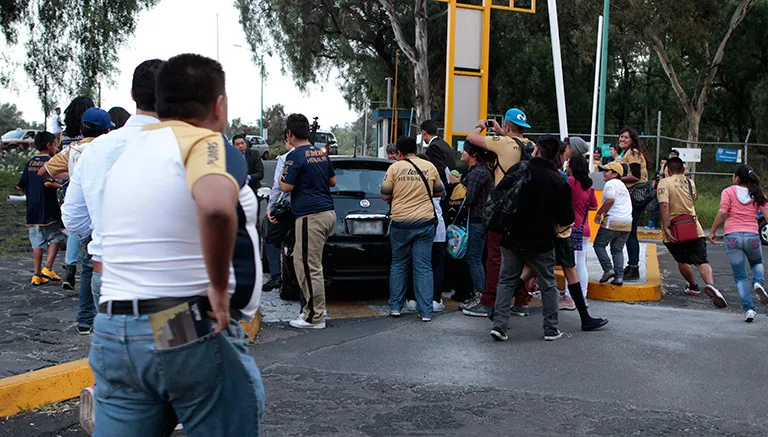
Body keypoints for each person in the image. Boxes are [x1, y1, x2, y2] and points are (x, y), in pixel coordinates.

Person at [94, 53, 265, 436]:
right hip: (177, 321)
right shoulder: (205, 142)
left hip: (113, 328)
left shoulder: (129, 151)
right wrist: (219, 289)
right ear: (219, 105)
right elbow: (219, 209)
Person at [59, 59, 164, 435]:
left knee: (121, 370)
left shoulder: (97, 152)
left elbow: (73, 222)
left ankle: (111, 400)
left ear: (133, 96)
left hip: (109, 281)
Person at [488, 135, 574, 342]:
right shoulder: (558, 180)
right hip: (541, 239)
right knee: (548, 283)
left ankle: (499, 325)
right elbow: (566, 217)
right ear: (557, 156)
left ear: (536, 150)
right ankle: (551, 329)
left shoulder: (519, 170)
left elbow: (498, 196)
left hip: (512, 235)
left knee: (506, 281)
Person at [41, 107, 113, 335]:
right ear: (108, 129)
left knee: (87, 268)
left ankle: (84, 320)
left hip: (81, 213)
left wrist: (69, 178)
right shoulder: (110, 149)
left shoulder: (72, 150)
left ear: (81, 129)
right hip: (105, 214)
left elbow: (44, 171)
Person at [463, 110, 535, 318]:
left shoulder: (501, 143)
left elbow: (472, 138)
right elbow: (515, 144)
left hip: (503, 209)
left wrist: (480, 125)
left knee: (494, 256)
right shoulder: (530, 145)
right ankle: (521, 302)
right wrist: (501, 132)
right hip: (524, 208)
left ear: (507, 126)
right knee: (519, 255)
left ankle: (489, 302)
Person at [280, 113, 337, 329]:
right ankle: (313, 311)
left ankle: (315, 316)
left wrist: (284, 171)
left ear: (290, 134)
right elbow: (332, 180)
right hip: (327, 213)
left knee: (307, 266)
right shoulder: (320, 153)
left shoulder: (294, 156)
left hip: (309, 216)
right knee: (308, 264)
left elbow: (285, 186)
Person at [381, 136, 443, 322]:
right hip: (424, 222)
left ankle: (395, 307)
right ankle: (425, 312)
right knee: (423, 267)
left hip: (400, 223)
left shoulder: (394, 168)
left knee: (399, 264)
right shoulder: (429, 167)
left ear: (399, 152)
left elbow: (384, 195)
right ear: (414, 150)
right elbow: (439, 192)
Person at [657, 157, 725, 308]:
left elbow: (664, 205)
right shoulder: (690, 182)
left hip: (675, 230)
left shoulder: (664, 182)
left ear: (668, 171)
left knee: (681, 260)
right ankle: (711, 285)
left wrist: (666, 227)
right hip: (694, 228)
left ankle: (693, 285)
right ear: (683, 169)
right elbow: (693, 199)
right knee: (702, 261)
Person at [709, 165, 768, 322]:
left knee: (740, 276)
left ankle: (749, 309)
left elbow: (722, 213)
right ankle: (758, 283)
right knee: (756, 263)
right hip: (752, 236)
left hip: (732, 237)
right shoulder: (758, 193)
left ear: (737, 178)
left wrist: (713, 231)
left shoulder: (728, 191)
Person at [57, 96, 95, 290]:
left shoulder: (64, 136)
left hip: (70, 186)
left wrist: (70, 175)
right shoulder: (91, 135)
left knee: (73, 228)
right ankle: (91, 265)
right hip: (90, 184)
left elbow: (58, 162)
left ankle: (70, 265)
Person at [17, 131, 65, 286]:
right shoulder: (52, 162)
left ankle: (37, 274)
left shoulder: (30, 162)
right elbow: (52, 182)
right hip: (49, 208)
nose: (57, 148)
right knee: (56, 238)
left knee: (36, 243)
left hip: (32, 210)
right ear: (49, 145)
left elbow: (21, 186)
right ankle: (48, 267)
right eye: (56, 144)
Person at [404, 152, 448, 313]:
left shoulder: (410, 182)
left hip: (415, 225)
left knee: (414, 264)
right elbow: (443, 196)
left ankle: (412, 299)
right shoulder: (436, 179)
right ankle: (435, 299)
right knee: (436, 265)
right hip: (437, 229)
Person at [565, 155, 598, 308]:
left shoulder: (571, 182)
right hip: (584, 227)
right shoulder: (589, 186)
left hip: (572, 228)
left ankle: (569, 297)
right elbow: (593, 206)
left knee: (570, 263)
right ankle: (582, 296)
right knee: (581, 263)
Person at [618, 127, 652, 281]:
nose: (622, 139)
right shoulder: (630, 153)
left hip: (636, 194)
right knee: (629, 231)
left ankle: (633, 268)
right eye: (621, 137)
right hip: (637, 193)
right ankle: (632, 265)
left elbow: (636, 176)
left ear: (632, 139)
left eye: (626, 137)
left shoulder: (633, 153)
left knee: (630, 232)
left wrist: (617, 179)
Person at [262, 134, 294, 291]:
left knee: (271, 239)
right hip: (313, 210)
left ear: (289, 139)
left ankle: (276, 276)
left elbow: (277, 186)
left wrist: (270, 208)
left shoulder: (286, 158)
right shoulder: (317, 155)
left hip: (291, 208)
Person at [593, 162, 632, 286]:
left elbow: (610, 199)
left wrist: (599, 213)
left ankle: (608, 269)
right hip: (627, 223)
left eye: (607, 171)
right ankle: (619, 277)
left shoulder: (611, 183)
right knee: (617, 250)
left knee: (598, 245)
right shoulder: (622, 186)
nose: (604, 173)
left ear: (615, 174)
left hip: (613, 221)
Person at [421, 119, 456, 186]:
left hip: (442, 186)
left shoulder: (433, 147)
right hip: (451, 182)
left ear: (424, 133)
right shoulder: (445, 144)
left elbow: (438, 169)